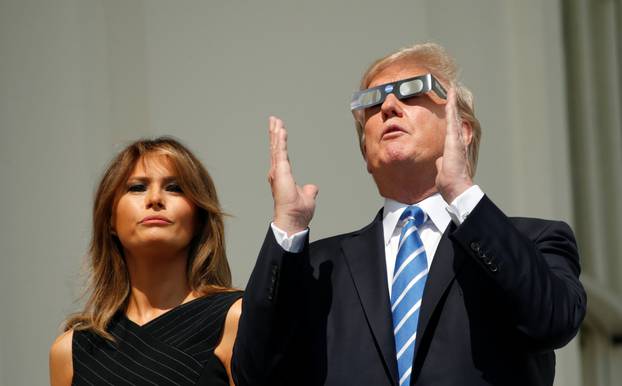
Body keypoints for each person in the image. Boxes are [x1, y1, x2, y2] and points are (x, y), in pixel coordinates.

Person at [233, 43, 587, 386]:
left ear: (461, 132)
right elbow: (255, 372)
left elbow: (553, 321)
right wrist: (288, 228)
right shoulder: (317, 267)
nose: (388, 105)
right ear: (365, 155)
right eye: (372, 102)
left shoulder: (534, 240)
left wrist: (463, 194)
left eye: (412, 92)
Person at [49, 137, 242, 386]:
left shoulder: (236, 318)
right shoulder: (71, 351)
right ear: (109, 219)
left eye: (175, 187)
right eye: (137, 187)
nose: (155, 199)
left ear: (199, 219)